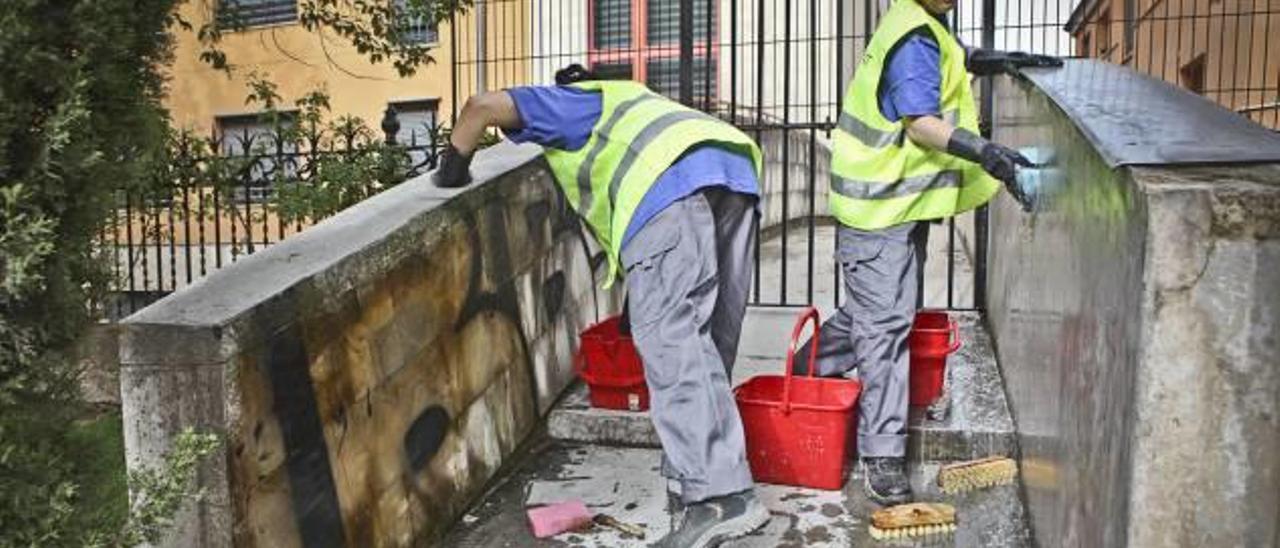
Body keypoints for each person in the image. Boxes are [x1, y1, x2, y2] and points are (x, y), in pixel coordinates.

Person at [433, 64, 769, 547]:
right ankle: (702, 480)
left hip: (668, 192)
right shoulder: (635, 100)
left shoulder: (573, 102)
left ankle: (718, 500)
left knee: (674, 349)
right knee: (704, 344)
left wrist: (451, 171)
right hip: (733, 172)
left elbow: (480, 108)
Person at [797, 0, 1060, 506]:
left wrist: (996, 58)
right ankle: (881, 456)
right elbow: (920, 123)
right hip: (880, 208)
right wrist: (986, 152)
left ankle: (804, 372)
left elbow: (956, 58)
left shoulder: (923, 24)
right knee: (884, 329)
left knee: (875, 315)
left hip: (889, 205)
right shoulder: (914, 36)